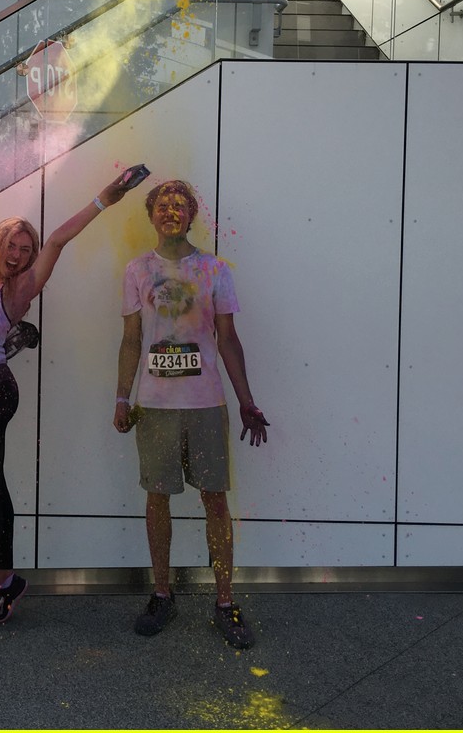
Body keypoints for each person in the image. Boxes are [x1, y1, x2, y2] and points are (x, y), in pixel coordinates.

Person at [0, 114, 143, 633]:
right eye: (14, 246)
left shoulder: (20, 291)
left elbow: (59, 242)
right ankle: (6, 579)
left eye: (26, 250)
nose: (20, 254)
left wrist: (103, 200)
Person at [112, 180, 270, 649]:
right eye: (163, 205)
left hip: (206, 404)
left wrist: (246, 400)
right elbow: (130, 341)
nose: (172, 211)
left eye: (181, 205)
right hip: (155, 406)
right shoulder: (137, 270)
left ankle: (224, 602)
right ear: (151, 214)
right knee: (156, 499)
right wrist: (122, 398)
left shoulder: (215, 270)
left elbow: (228, 339)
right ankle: (163, 595)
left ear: (191, 215)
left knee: (215, 500)